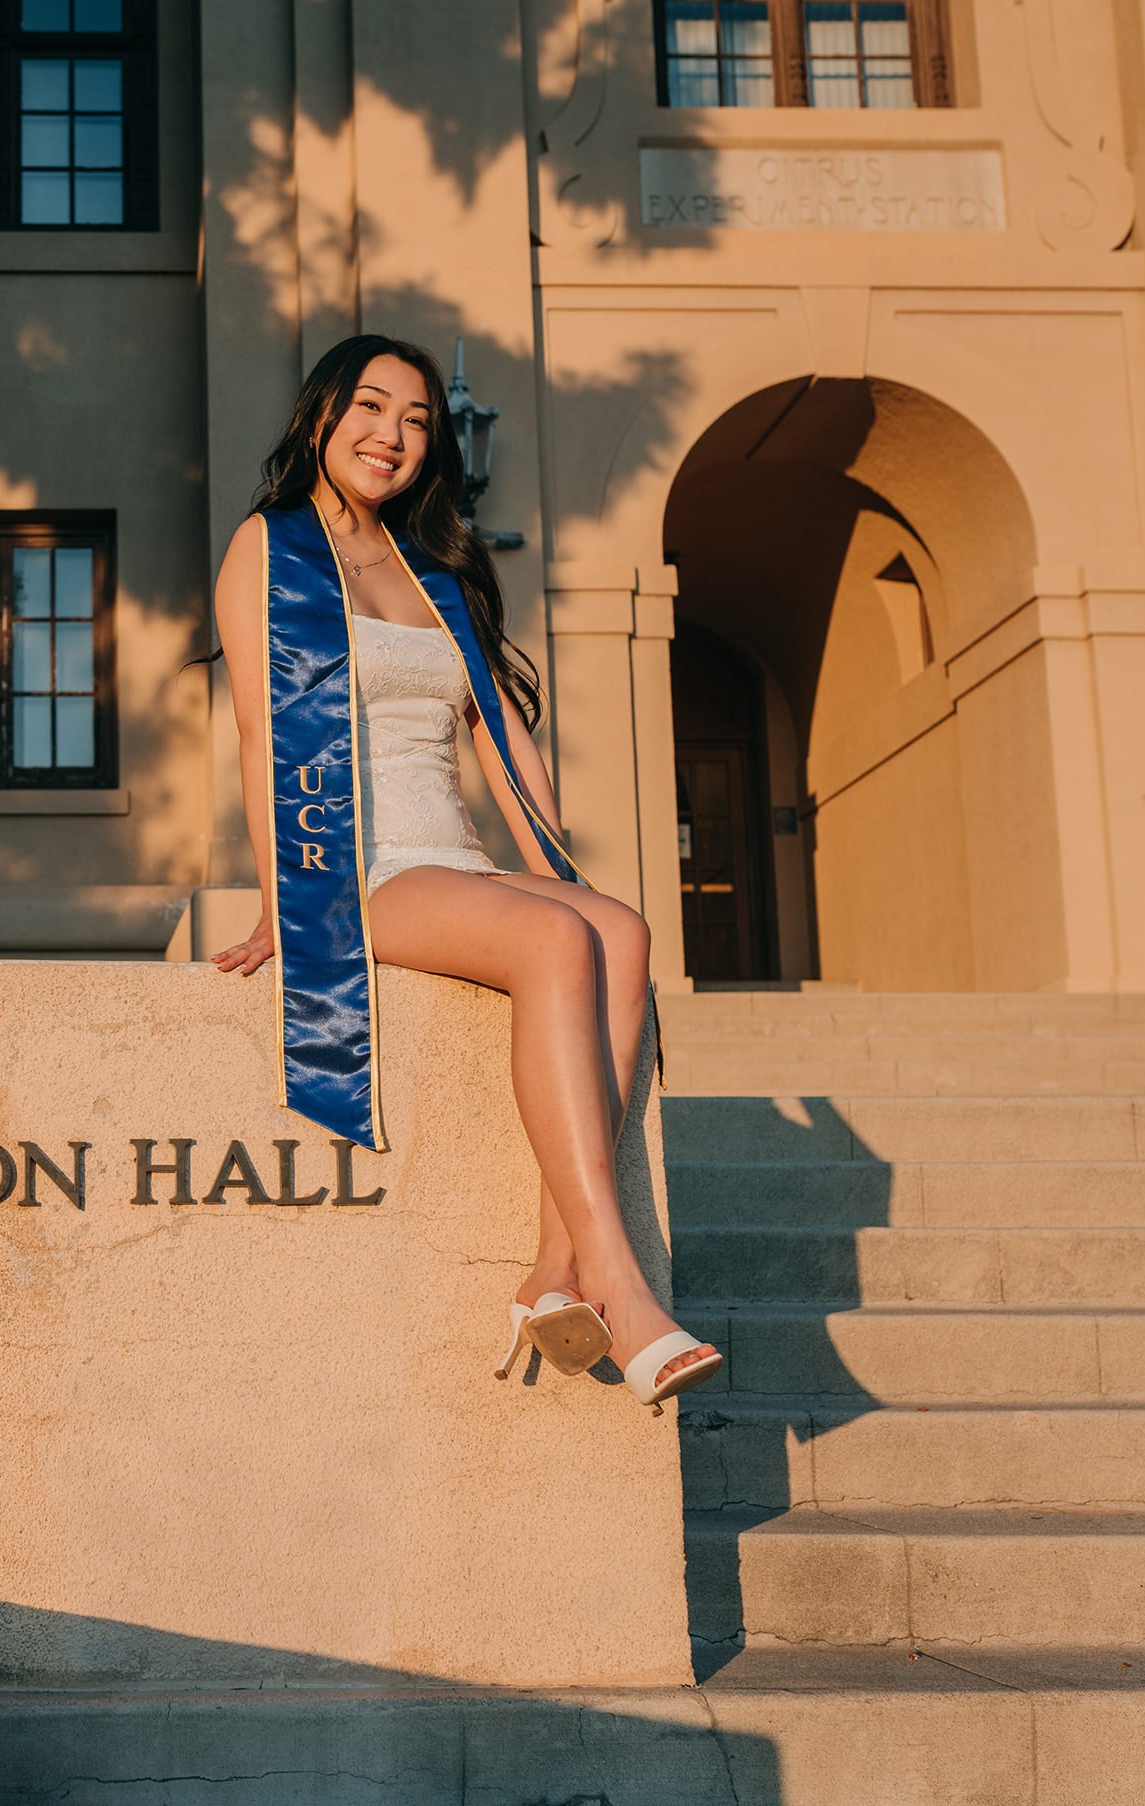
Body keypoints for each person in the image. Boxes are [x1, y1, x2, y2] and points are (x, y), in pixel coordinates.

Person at [207, 334, 721, 1414]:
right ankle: (619, 1290)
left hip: (454, 857)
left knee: (613, 930)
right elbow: (261, 728)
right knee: (550, 943)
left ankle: (551, 1273)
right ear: (320, 418)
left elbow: (502, 739)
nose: (391, 434)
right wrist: (281, 902)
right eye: (372, 407)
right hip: (360, 861)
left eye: (416, 420)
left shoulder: (435, 568)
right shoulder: (271, 548)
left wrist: (562, 873)